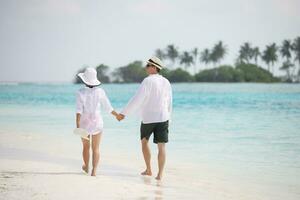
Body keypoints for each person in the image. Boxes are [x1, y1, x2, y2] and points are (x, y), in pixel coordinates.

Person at [117, 56, 172, 180]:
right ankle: (160, 175)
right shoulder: (166, 82)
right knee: (162, 146)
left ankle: (148, 169)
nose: (146, 67)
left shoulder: (148, 81)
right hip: (163, 117)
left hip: (149, 118)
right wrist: (169, 118)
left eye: (148, 65)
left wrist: (123, 113)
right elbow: (169, 102)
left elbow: (137, 99)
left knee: (144, 142)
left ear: (154, 67)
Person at [76, 67, 119, 176]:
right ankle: (94, 171)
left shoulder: (80, 92)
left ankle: (86, 166)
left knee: (85, 147)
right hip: (97, 123)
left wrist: (77, 125)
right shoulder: (100, 91)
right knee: (96, 148)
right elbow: (108, 108)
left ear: (85, 80)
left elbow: (79, 110)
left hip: (84, 124)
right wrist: (117, 116)